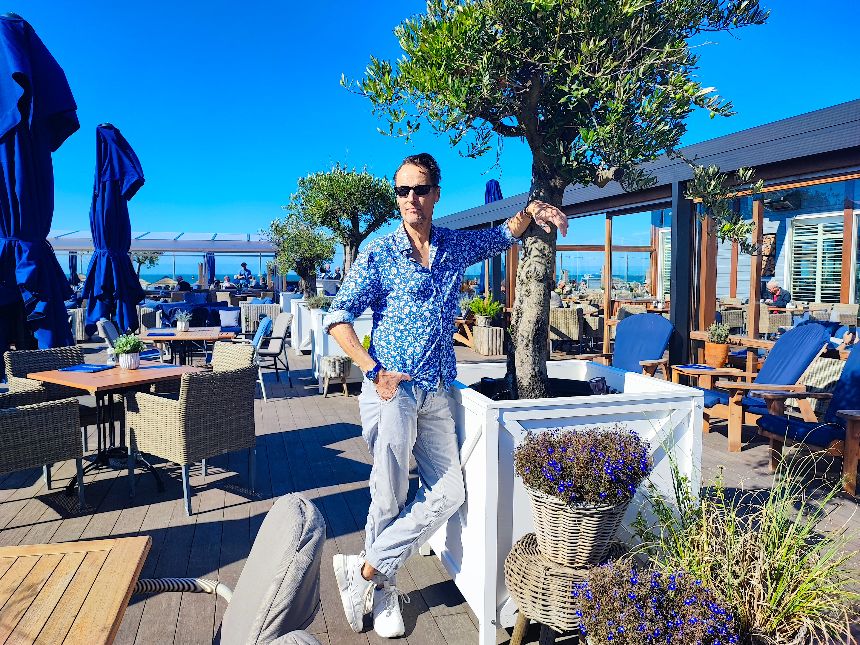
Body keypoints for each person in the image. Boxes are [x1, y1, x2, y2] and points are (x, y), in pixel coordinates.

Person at [324, 152, 567, 638]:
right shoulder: (379, 251)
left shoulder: (452, 246)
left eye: (419, 189)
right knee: (388, 494)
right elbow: (337, 317)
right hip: (392, 390)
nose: (410, 199)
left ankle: (366, 570)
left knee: (449, 492)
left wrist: (535, 210)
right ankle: (384, 591)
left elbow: (500, 235)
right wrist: (373, 370)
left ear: (436, 194)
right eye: (402, 191)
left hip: (436, 389)